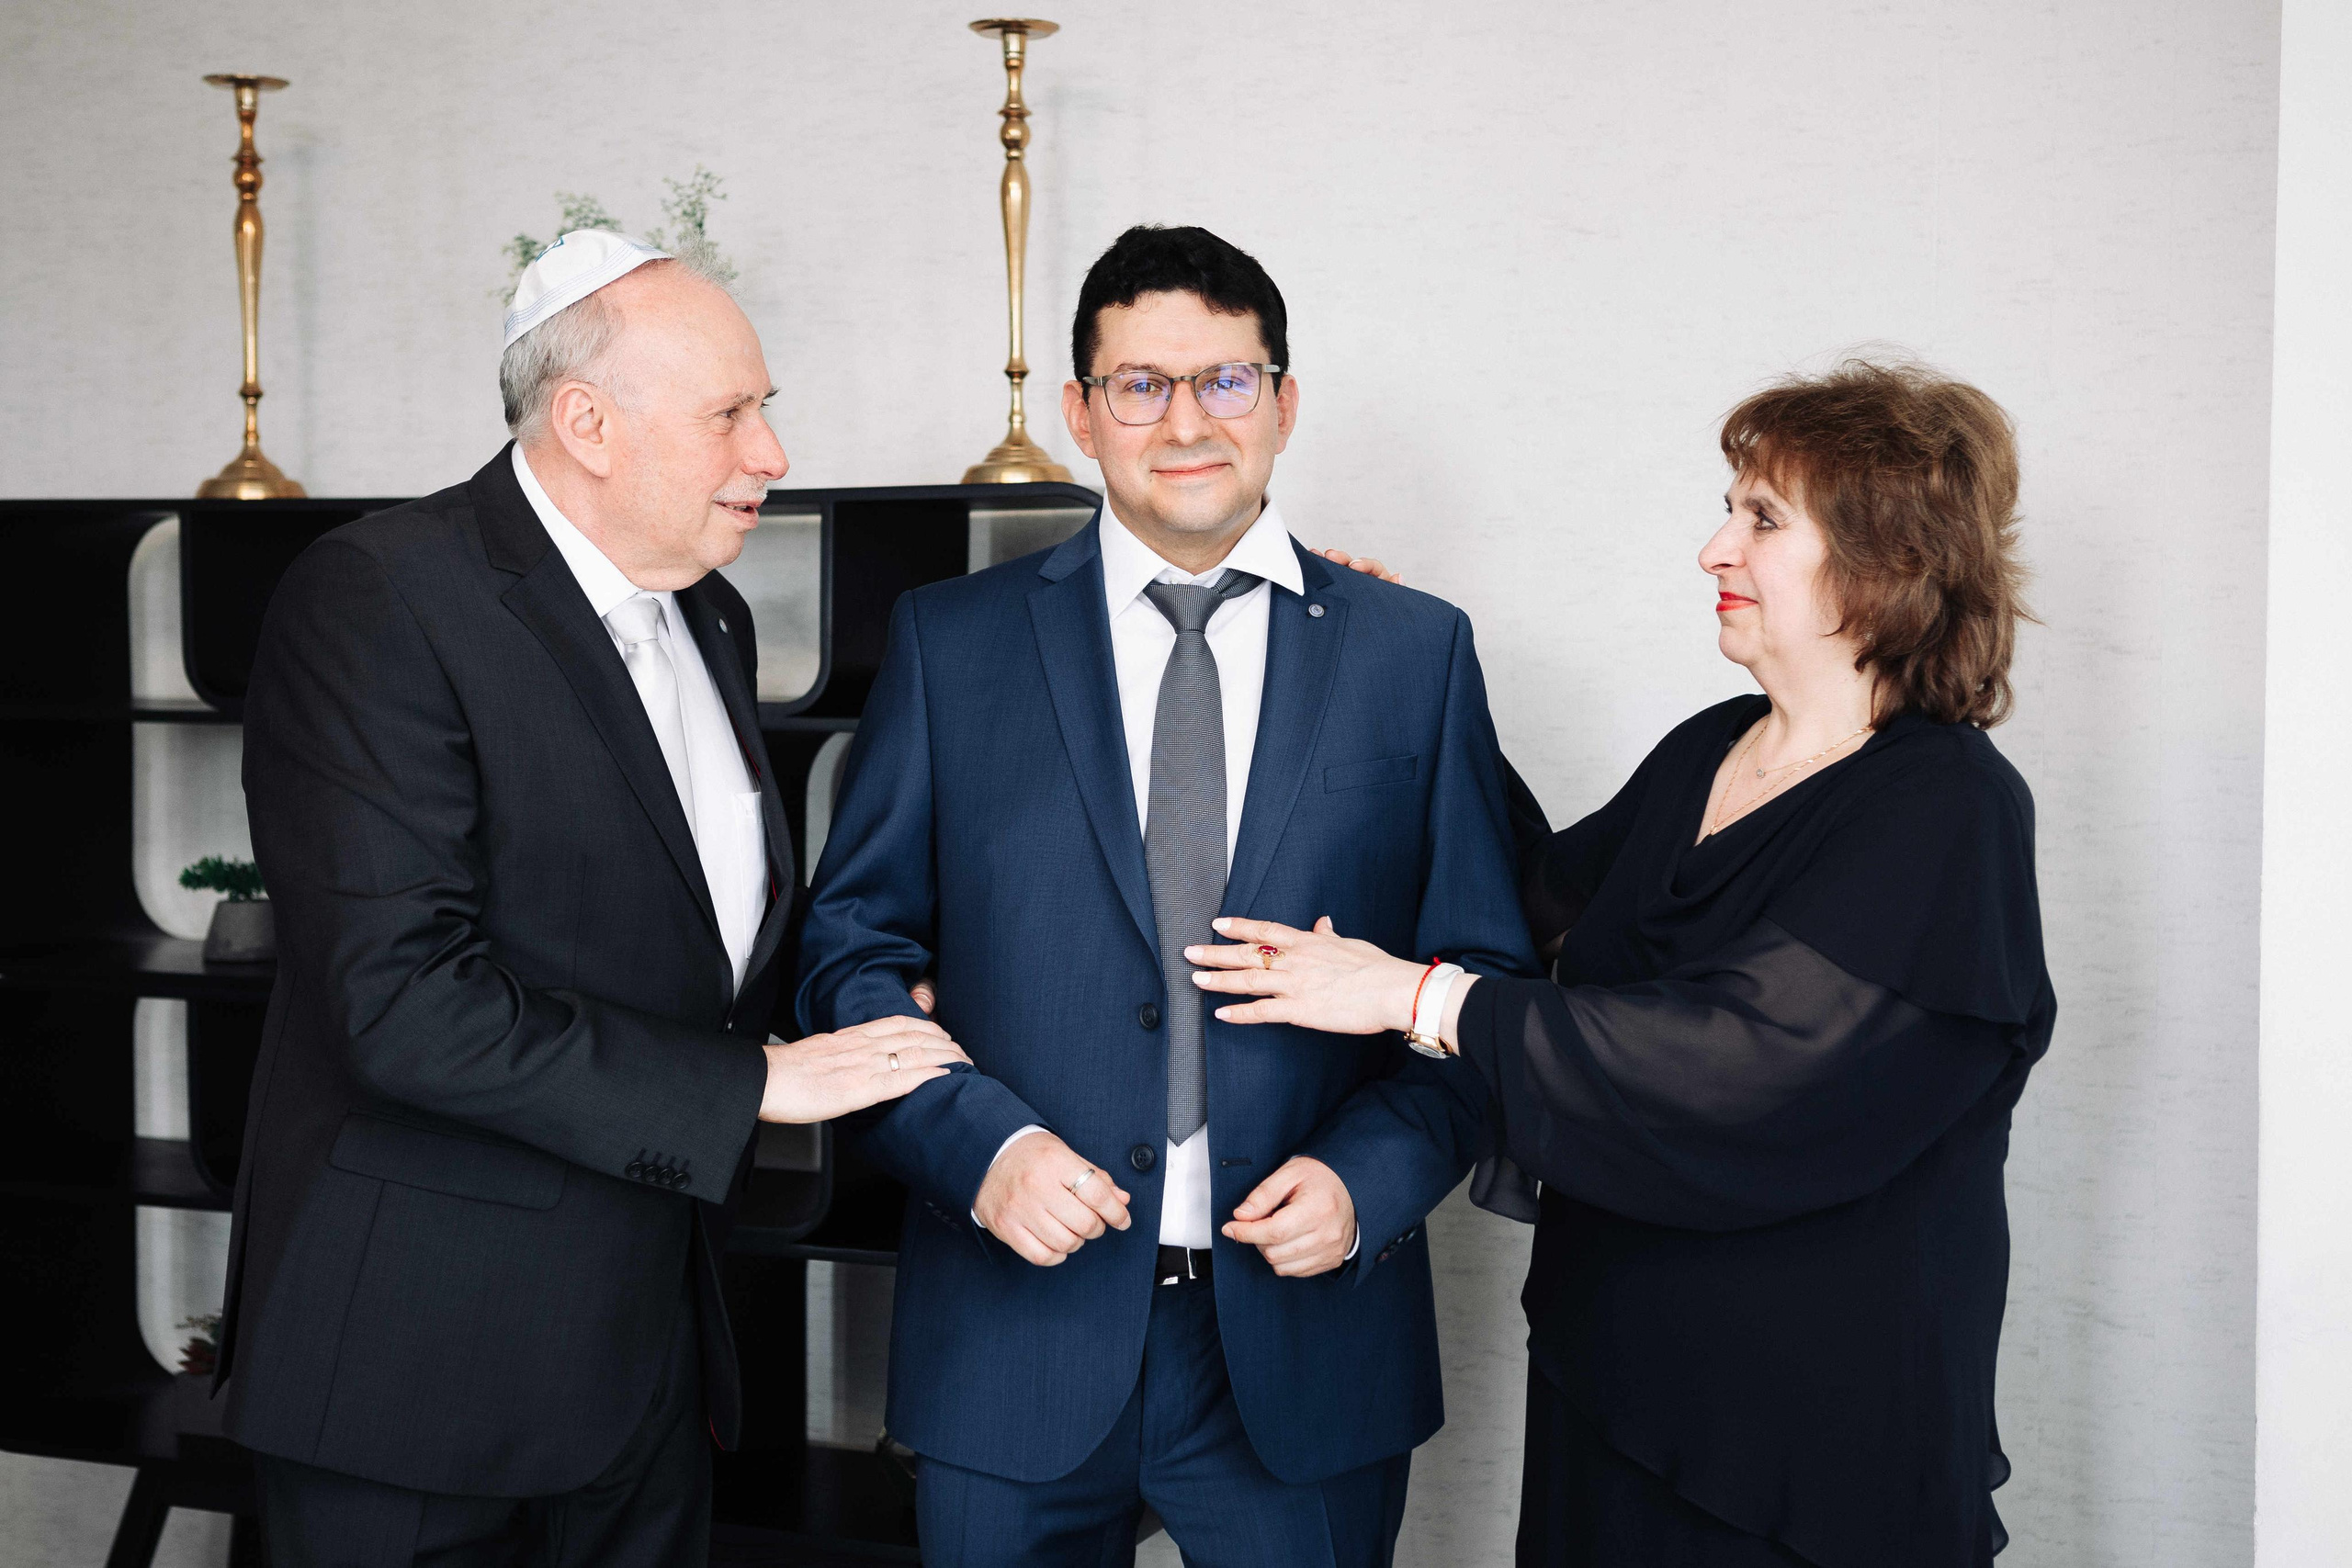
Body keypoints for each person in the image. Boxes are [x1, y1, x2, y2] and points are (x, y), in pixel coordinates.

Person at [1193, 359, 2053, 1567]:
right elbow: (1533, 905)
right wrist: (1401, 681)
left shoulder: (1948, 807)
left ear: (1890, 559)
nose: (1714, 549)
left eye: (1763, 520)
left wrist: (1418, 997)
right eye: (1728, 509)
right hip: (1615, 1378)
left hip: (1808, 1428)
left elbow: (1747, 1064)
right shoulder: (1712, 748)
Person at [794, 224, 1537, 1567]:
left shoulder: (1415, 653)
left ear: (1285, 402)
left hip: (1308, 1342)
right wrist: (981, 1152)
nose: (1186, 422)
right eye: (1139, 384)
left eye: (1225, 380)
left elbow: (1483, 982)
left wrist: (1370, 1182)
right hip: (1009, 1332)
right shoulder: (950, 643)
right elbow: (851, 953)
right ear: (1081, 414)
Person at [223, 230, 965, 1568]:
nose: (771, 453)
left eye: (765, 409)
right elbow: (400, 1002)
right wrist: (755, 1085)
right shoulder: (380, 597)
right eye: (730, 415)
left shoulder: (711, 615)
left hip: (645, 1368)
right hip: (417, 1382)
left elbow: (682, 931)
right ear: (587, 424)